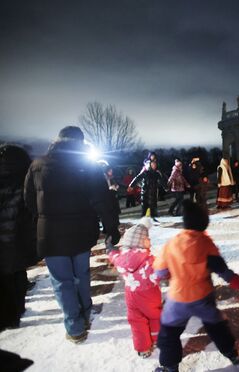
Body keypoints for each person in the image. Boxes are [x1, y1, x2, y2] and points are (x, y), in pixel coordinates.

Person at [24, 126, 120, 343]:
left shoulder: (38, 165)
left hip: (50, 235)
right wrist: (111, 229)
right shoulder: (87, 166)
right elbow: (103, 202)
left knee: (62, 281)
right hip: (81, 232)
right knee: (82, 274)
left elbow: (29, 200)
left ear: (57, 140)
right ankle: (86, 313)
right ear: (80, 143)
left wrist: (42, 220)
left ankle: (74, 327)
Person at [153, 200, 239, 371]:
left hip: (177, 300)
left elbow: (160, 272)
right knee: (217, 326)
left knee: (169, 333)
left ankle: (169, 366)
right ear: (204, 224)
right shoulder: (206, 243)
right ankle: (231, 353)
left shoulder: (172, 244)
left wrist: (169, 274)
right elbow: (222, 269)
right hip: (202, 298)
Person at [106, 217, 162, 358]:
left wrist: (110, 251)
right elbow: (160, 273)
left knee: (137, 322)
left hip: (131, 295)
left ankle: (143, 349)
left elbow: (114, 257)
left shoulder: (121, 258)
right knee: (155, 317)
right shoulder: (151, 261)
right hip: (150, 295)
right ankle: (156, 340)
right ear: (145, 242)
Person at [0, 144, 37, 332]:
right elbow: (31, 210)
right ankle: (16, 314)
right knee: (17, 275)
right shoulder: (25, 178)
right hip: (17, 239)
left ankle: (7, 316)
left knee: (5, 279)